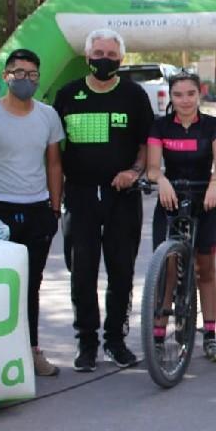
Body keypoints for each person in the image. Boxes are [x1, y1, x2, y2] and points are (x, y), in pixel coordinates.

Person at [53, 29, 153, 371]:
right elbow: (54, 150)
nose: (104, 60)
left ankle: (115, 340)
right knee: (82, 272)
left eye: (111, 55)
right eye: (98, 54)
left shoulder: (134, 95)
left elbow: (146, 144)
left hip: (122, 197)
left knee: (121, 272)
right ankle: (87, 343)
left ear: (121, 59)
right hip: (79, 195)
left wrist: (135, 171)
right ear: (87, 56)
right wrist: (55, 195)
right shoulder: (67, 95)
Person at [0, 48, 64, 376]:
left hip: (37, 210)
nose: (25, 80)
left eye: (32, 74)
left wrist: (54, 208)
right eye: (19, 73)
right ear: (6, 76)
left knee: (31, 285)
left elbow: (54, 163)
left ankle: (31, 351)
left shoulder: (48, 116)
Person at [146, 71, 216, 362]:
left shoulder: (213, 125)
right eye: (178, 95)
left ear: (199, 93)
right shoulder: (160, 126)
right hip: (169, 201)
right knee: (166, 268)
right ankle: (158, 335)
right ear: (170, 96)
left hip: (205, 201)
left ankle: (210, 336)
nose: (184, 100)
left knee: (205, 269)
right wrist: (161, 180)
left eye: (190, 94)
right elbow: (152, 167)